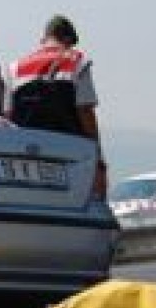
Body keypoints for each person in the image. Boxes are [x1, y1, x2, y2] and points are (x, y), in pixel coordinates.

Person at [9, 14, 107, 193]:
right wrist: (98, 158)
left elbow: (8, 115)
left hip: (25, 156)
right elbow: (85, 112)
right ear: (68, 40)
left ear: (43, 39)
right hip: (68, 153)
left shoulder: (16, 67)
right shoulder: (77, 62)